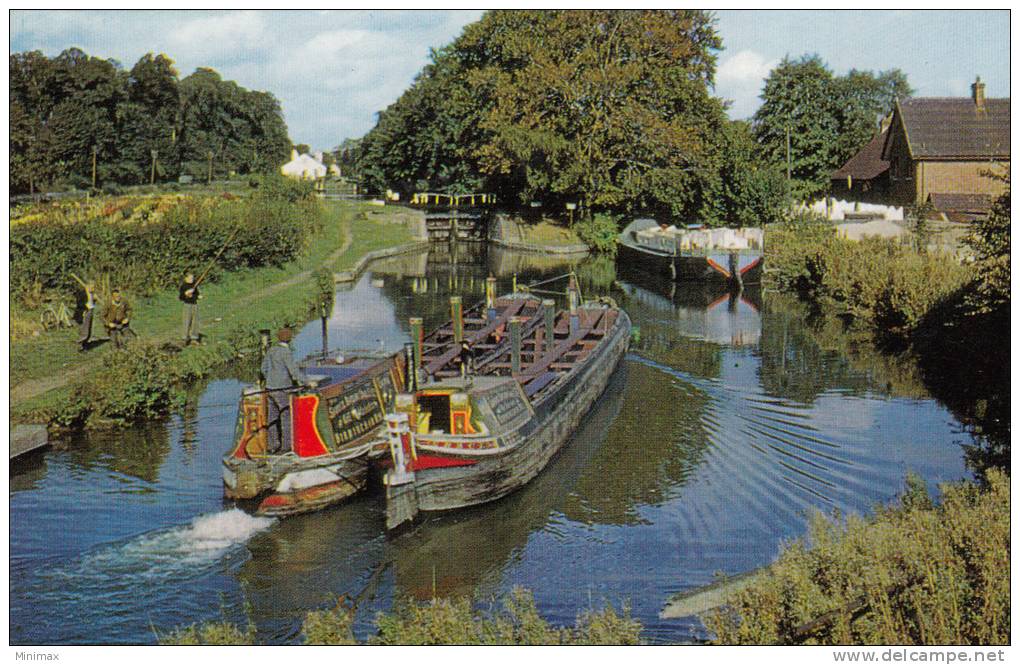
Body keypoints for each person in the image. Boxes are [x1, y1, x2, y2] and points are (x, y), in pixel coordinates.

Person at [261, 327, 308, 454]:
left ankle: (272, 445)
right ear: (290, 340)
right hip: (282, 390)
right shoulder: (286, 353)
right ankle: (286, 447)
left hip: (269, 389)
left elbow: (263, 369)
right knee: (286, 417)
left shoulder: (271, 350)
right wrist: (307, 382)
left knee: (272, 417)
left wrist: (270, 380)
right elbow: (294, 371)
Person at [179, 272, 201, 345]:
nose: (192, 279)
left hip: (195, 305)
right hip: (187, 305)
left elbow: (196, 294)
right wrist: (186, 293)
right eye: (190, 278)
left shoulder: (194, 285)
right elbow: (181, 297)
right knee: (186, 321)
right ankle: (184, 338)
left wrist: (197, 296)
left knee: (195, 321)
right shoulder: (183, 286)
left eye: (193, 278)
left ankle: (194, 338)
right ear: (186, 278)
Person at [76, 280, 96, 352]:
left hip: (90, 311)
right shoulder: (82, 293)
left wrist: (94, 300)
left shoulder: (91, 293)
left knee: (88, 329)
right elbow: (79, 303)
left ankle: (85, 345)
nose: (93, 289)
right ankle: (80, 346)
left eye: (94, 288)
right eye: (92, 287)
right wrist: (85, 309)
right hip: (84, 312)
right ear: (87, 286)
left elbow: (91, 302)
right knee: (84, 329)